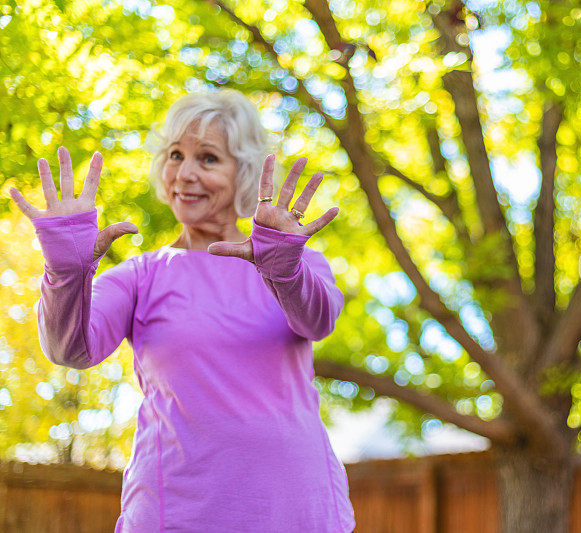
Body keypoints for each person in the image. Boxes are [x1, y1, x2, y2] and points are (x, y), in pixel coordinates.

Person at [9, 89, 356, 532]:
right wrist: (66, 274)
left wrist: (284, 269)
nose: (185, 173)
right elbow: (69, 349)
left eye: (208, 158)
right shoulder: (141, 275)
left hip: (295, 509)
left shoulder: (290, 259)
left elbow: (318, 319)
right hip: (176, 512)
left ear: (243, 173)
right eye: (175, 154)